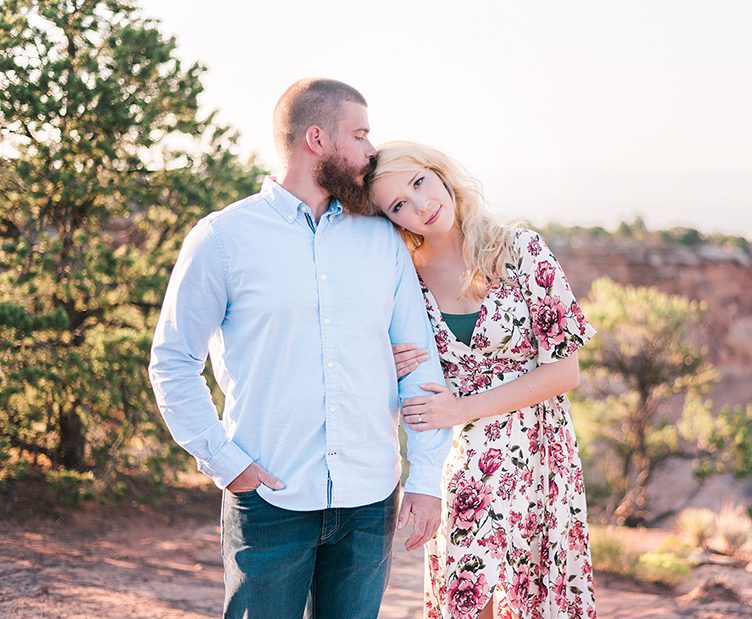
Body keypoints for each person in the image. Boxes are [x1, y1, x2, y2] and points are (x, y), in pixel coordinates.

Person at [148, 78, 453, 618]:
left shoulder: (382, 238)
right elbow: (172, 362)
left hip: (369, 499)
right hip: (270, 499)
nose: (370, 151)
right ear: (317, 139)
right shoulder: (222, 239)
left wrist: (426, 479)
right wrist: (224, 462)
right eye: (359, 135)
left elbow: (419, 363)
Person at [362, 141, 598, 619]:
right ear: (390, 220)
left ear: (440, 174)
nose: (421, 206)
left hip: (538, 450)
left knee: (537, 594)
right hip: (460, 456)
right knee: (467, 594)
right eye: (399, 205)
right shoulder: (402, 275)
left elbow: (564, 370)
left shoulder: (520, 249)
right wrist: (381, 356)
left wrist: (464, 407)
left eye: (418, 183)